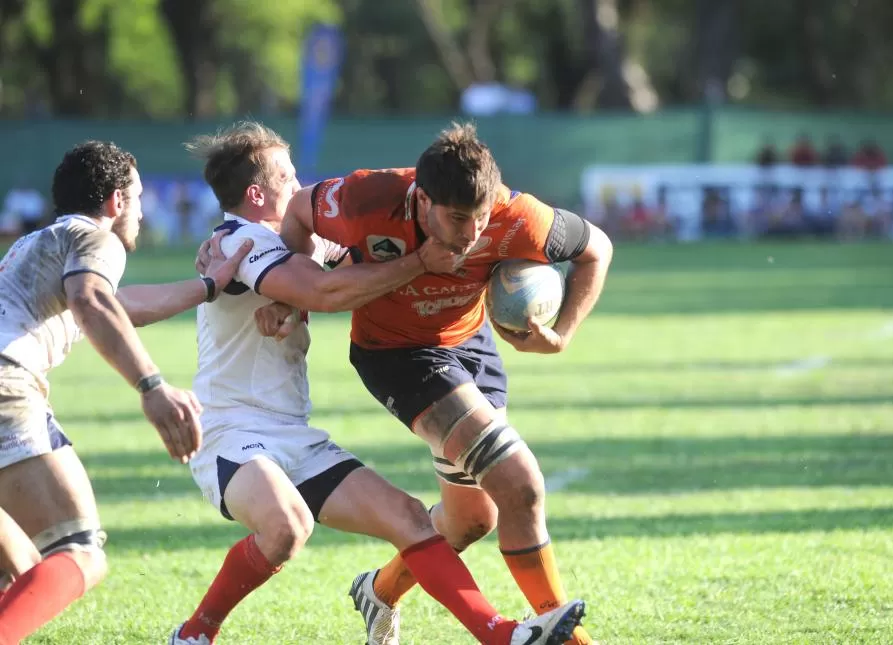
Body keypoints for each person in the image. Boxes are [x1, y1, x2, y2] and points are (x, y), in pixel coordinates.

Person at [173, 122, 585, 645]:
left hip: (292, 433)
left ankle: (502, 635)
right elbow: (325, 291)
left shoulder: (288, 243)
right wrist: (419, 262)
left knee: (412, 518)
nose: (299, 183)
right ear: (256, 193)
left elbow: (346, 262)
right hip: (232, 432)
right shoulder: (238, 242)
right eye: (287, 174)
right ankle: (194, 633)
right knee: (287, 527)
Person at [0, 140, 253, 644]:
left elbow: (119, 304)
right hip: (7, 387)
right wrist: (151, 386)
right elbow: (93, 300)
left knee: (24, 571)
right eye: (136, 199)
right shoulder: (97, 239)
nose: (138, 213)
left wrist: (206, 286)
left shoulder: (40, 242)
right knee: (80, 552)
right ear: (117, 201)